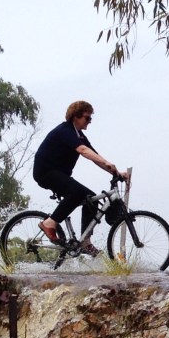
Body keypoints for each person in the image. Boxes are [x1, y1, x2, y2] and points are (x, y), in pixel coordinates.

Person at [32, 100, 130, 246]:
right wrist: (108, 163)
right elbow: (83, 151)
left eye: (91, 118)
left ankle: (85, 241)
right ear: (75, 116)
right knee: (76, 192)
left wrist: (116, 172)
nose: (89, 121)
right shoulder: (65, 130)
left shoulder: (79, 136)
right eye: (87, 117)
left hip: (60, 174)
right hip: (46, 172)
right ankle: (49, 223)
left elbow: (95, 157)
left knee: (92, 200)